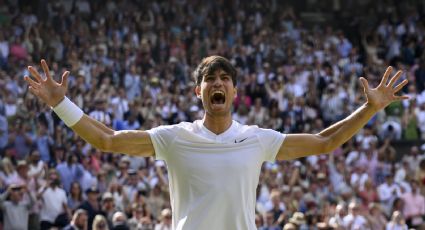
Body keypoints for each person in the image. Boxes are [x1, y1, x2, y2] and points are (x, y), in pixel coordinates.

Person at [24, 56, 409, 230]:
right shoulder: (175, 137)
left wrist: (369, 109)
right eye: (211, 78)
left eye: (225, 77)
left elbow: (325, 142)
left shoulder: (258, 139)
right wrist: (61, 102)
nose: (218, 83)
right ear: (199, 91)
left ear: (235, 91)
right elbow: (107, 140)